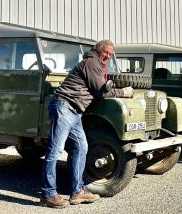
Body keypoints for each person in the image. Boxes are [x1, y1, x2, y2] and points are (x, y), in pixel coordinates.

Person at [40, 40, 134, 208]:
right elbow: (101, 91)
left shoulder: (97, 64)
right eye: (105, 52)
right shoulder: (91, 62)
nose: (107, 56)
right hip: (64, 106)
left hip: (75, 111)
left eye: (110, 54)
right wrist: (124, 92)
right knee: (54, 150)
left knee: (81, 147)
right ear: (98, 51)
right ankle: (48, 194)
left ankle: (77, 192)